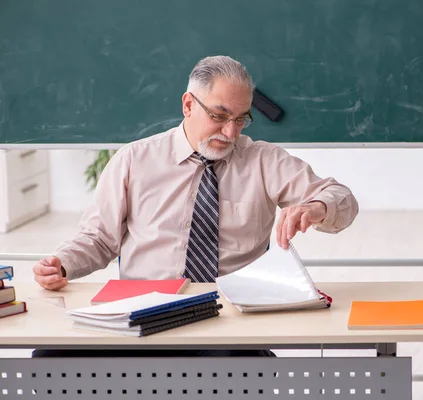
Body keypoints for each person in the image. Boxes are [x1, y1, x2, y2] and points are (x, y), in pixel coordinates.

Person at [31, 55, 359, 356]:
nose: (230, 131)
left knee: (242, 364)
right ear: (188, 104)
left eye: (242, 119)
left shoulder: (262, 160)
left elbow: (341, 196)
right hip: (144, 313)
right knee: (50, 358)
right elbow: (99, 237)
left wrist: (317, 206)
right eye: (219, 116)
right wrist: (62, 264)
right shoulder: (134, 160)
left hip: (230, 320)